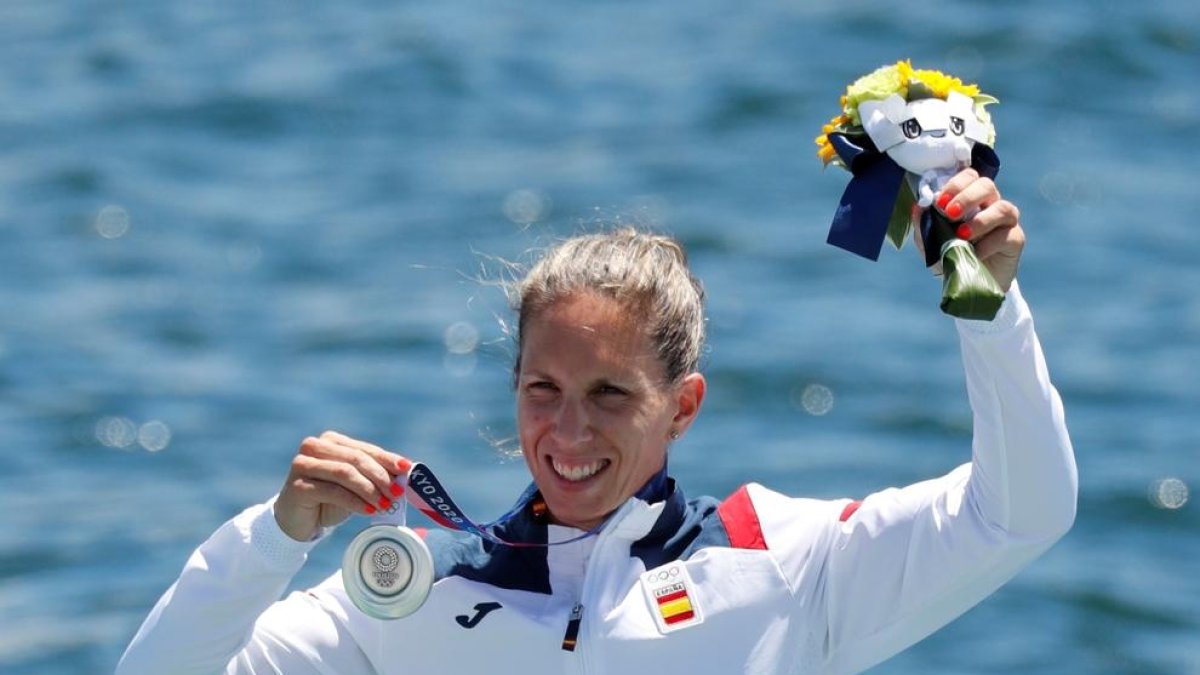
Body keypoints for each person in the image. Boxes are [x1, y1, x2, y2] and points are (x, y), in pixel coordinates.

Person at [117, 170, 1077, 674]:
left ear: (682, 407)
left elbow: (1022, 511)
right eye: (544, 390)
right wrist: (271, 538)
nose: (569, 433)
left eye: (611, 395)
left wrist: (991, 312)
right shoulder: (414, 592)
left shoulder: (781, 561)